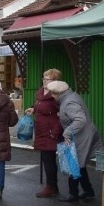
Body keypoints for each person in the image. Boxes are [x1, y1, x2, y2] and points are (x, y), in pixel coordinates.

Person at [46, 80, 102, 203]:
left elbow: (80, 119)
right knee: (79, 163)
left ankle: (73, 193)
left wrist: (67, 132)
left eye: (53, 94)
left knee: (74, 163)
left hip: (81, 135)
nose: (52, 96)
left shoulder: (69, 102)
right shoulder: (70, 97)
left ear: (59, 93)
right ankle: (88, 190)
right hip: (82, 134)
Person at [24, 69, 64, 198]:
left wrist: (55, 132)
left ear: (55, 81)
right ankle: (52, 186)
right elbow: (41, 106)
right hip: (41, 130)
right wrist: (34, 109)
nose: (44, 81)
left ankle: (51, 186)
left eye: (47, 79)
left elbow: (61, 115)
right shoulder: (41, 92)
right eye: (44, 78)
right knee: (46, 158)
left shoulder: (56, 95)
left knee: (49, 159)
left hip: (50, 131)